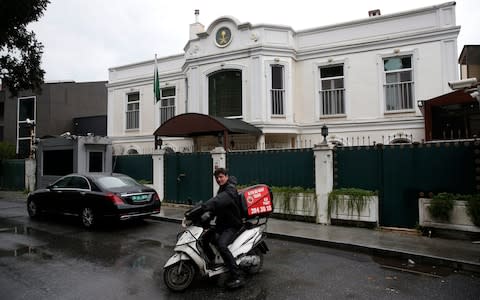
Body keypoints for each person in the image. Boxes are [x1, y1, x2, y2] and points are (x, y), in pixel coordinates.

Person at [203, 167, 244, 289]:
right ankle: (213, 262)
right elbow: (218, 207)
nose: (219, 179)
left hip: (232, 225)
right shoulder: (222, 189)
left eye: (221, 177)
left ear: (226, 176)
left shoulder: (230, 190)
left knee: (222, 245)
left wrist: (205, 206)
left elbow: (218, 201)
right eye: (217, 177)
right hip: (222, 224)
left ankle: (237, 276)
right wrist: (206, 215)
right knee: (205, 238)